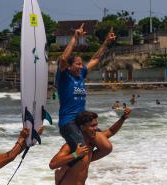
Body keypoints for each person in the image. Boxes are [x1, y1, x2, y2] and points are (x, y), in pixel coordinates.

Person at [55, 23, 116, 159]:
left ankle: (79, 163)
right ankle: (68, 167)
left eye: (81, 64)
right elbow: (63, 59)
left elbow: (95, 59)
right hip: (68, 121)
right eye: (77, 64)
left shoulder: (81, 74)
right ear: (69, 67)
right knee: (82, 153)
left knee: (106, 147)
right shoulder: (63, 76)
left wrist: (106, 42)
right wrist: (75, 38)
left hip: (83, 120)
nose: (81, 66)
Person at [49, 108, 131, 185]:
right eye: (92, 126)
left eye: (96, 125)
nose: (96, 128)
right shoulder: (71, 146)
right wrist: (75, 154)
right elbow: (52, 165)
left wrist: (123, 118)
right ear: (82, 127)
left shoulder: (91, 143)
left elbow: (110, 131)